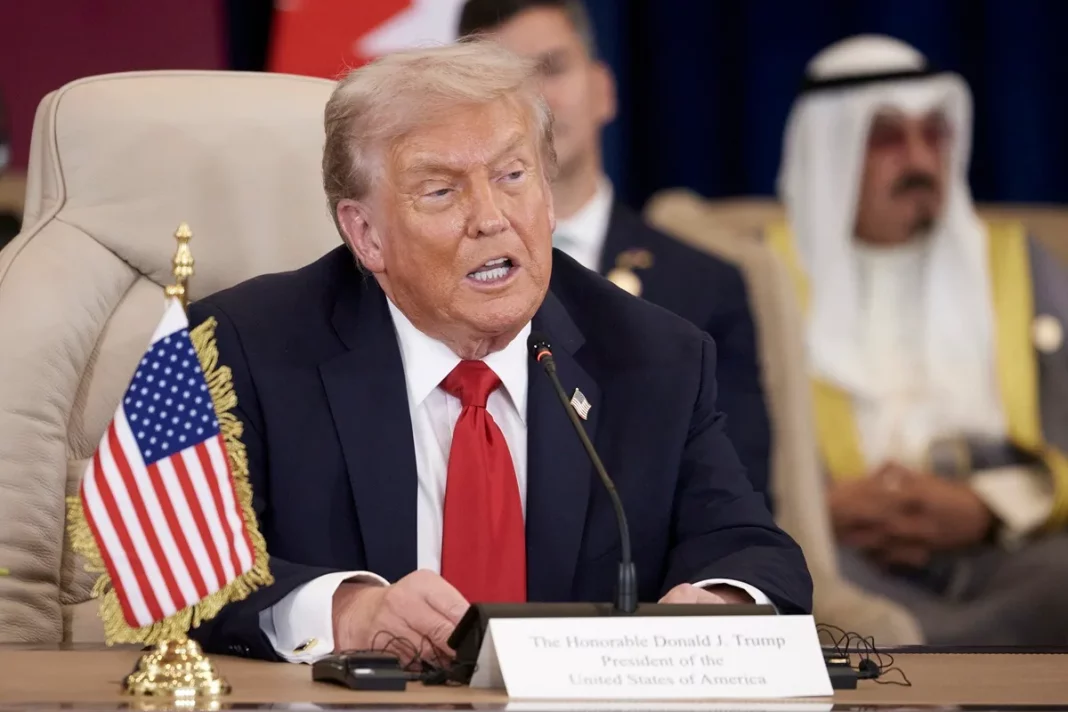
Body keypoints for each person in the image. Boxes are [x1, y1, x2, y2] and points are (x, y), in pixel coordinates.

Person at [187, 41, 811, 663]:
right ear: (366, 234)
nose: (491, 219)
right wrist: (346, 613)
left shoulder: (653, 359)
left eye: (513, 177)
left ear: (548, 195)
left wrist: (721, 604)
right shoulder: (239, 348)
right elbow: (177, 563)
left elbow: (754, 553)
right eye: (441, 191)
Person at [769, 35, 1068, 645]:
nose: (920, 159)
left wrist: (989, 508)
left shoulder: (1017, 264)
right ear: (830, 150)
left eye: (934, 134)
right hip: (841, 554)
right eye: (887, 137)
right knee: (799, 588)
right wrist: (813, 510)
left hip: (1007, 551)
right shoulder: (760, 277)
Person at [456, 0, 773, 508]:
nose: (534, 101)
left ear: (604, 89)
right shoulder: (430, 282)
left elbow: (735, 504)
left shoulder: (704, 288)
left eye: (552, 69)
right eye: (503, 83)